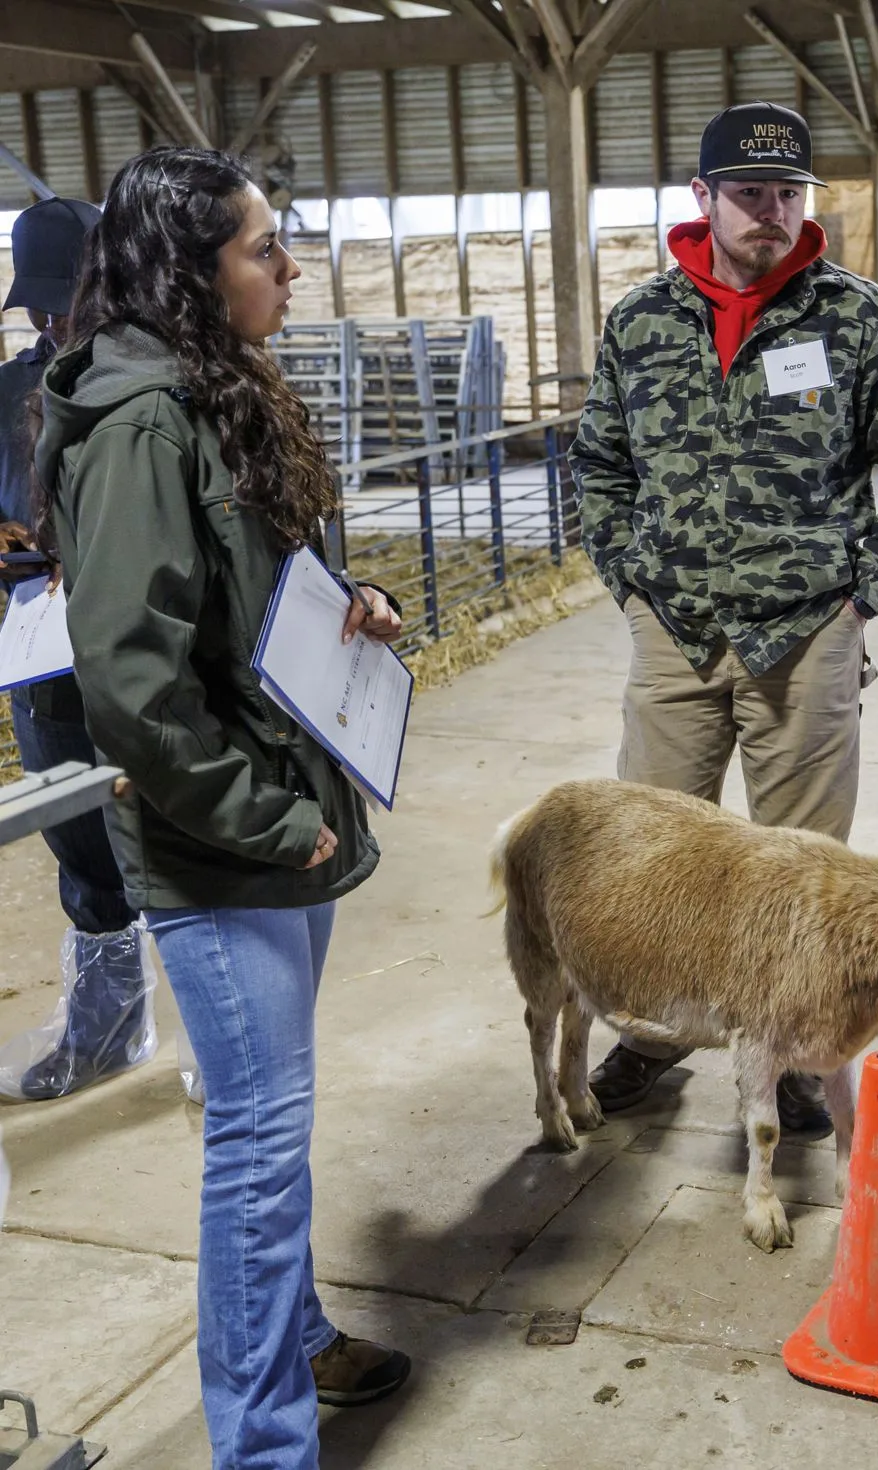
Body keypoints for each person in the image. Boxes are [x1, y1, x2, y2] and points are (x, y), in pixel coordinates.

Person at [37, 147, 412, 1468]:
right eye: (266, 247)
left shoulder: (219, 388)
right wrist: (267, 816)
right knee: (255, 1143)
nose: (291, 265)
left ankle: (295, 1334)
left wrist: (346, 600)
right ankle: (263, 1445)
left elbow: (254, 583)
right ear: (195, 270)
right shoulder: (141, 422)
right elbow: (131, 685)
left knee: (272, 1112)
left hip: (276, 811)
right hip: (222, 840)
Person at [570, 101, 878, 1131]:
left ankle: (792, 1057)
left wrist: (861, 592)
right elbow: (599, 465)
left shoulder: (863, 320)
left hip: (805, 638)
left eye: (789, 193)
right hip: (676, 635)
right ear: (702, 197)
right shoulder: (642, 323)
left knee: (800, 868)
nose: (772, 214)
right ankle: (655, 1036)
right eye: (750, 194)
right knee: (652, 863)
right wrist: (628, 579)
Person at [0, 196, 151, 1103]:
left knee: (178, 832)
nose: (54, 321)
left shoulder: (158, 383)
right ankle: (105, 1031)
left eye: (71, 300)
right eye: (41, 307)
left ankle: (226, 1040)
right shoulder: (4, 392)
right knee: (83, 842)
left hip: (148, 650)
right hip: (44, 657)